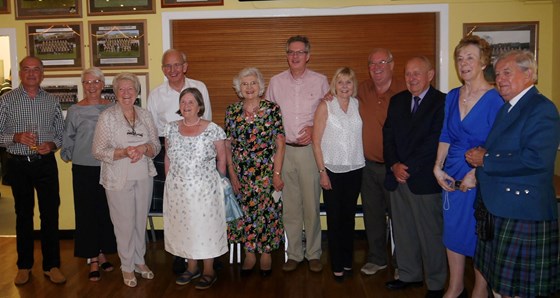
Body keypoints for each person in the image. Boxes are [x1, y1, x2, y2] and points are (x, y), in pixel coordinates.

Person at [465, 50, 560, 298]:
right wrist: (483, 154)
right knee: (500, 287)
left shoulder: (541, 108)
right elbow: (506, 148)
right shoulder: (509, 108)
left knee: (514, 291)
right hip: (500, 206)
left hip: (522, 211)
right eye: (497, 75)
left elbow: (537, 159)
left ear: (529, 74)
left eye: (507, 72)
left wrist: (485, 158)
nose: (501, 79)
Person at [432, 36, 503, 298]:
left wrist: (477, 174)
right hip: (450, 176)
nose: (464, 63)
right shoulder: (452, 96)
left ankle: (480, 289)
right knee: (452, 231)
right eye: (460, 59)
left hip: (479, 178)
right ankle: (456, 285)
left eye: (470, 58)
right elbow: (445, 136)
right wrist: (437, 168)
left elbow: (499, 144)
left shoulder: (495, 99)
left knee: (479, 233)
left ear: (483, 62)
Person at [383, 56, 447, 298]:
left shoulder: (442, 102)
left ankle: (436, 283)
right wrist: (393, 165)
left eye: (417, 73)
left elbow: (435, 141)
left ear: (430, 75)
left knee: (430, 233)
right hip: (397, 178)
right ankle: (409, 275)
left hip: (424, 180)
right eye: (408, 73)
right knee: (403, 231)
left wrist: (407, 166)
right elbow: (387, 136)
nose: (411, 78)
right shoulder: (398, 101)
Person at [266, 35, 329, 273]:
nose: (295, 56)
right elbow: (269, 117)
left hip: (309, 153)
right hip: (284, 151)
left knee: (311, 205)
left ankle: (313, 253)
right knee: (290, 206)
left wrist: (314, 129)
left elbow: (329, 114)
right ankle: (293, 253)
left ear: (308, 56)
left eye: (300, 52)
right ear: (287, 55)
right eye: (291, 52)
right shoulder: (275, 82)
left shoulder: (321, 81)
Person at [0, 56, 65, 285]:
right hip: (18, 164)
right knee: (23, 216)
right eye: (26, 69)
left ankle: (52, 265)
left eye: (36, 69)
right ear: (20, 73)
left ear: (42, 73)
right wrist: (15, 137)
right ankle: (24, 266)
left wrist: (53, 144)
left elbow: (61, 132)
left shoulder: (52, 101)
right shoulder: (6, 100)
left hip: (45, 163)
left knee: (50, 214)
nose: (31, 73)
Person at [92, 72, 161, 288]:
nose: (126, 93)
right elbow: (98, 151)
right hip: (117, 178)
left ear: (137, 91)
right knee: (124, 224)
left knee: (140, 221)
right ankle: (127, 265)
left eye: (130, 88)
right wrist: (123, 152)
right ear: (115, 93)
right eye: (121, 89)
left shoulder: (146, 115)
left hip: (143, 175)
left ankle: (140, 261)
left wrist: (143, 148)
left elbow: (156, 146)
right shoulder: (107, 117)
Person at [147, 48, 212, 274]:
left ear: (185, 66)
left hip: (198, 152)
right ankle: (180, 254)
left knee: (200, 207)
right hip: (170, 151)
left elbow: (208, 120)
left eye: (177, 65)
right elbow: (152, 129)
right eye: (167, 66)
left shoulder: (199, 87)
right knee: (176, 207)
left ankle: (205, 254)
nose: (172, 70)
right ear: (163, 69)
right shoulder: (155, 94)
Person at [163, 88, 227, 290]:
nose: (186, 105)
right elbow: (168, 157)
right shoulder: (171, 129)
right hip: (178, 189)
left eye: (191, 102)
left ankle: (209, 270)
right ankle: (191, 267)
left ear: (200, 106)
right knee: (185, 227)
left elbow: (222, 159)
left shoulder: (213, 129)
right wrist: (169, 182)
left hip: (205, 189)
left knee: (205, 228)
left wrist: (220, 182)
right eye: (183, 102)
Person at [225, 67, 285, 277]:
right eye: (245, 84)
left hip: (266, 172)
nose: (249, 87)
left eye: (253, 83)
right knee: (246, 214)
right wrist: (232, 174)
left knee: (268, 213)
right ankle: (250, 254)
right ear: (239, 88)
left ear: (260, 86)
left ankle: (266, 253)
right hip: (242, 173)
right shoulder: (232, 111)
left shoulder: (272, 109)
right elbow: (228, 145)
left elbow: (280, 144)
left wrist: (276, 175)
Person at [61, 67, 117, 282]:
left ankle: (103, 253)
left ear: (103, 85)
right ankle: (92, 257)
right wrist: (68, 156)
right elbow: (69, 138)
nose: (91, 86)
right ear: (82, 85)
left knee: (105, 212)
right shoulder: (75, 110)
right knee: (86, 213)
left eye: (96, 82)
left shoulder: (112, 108)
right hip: (83, 168)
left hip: (108, 166)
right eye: (87, 82)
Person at [312, 67, 365, 282]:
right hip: (332, 169)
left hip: (355, 168)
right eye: (341, 82)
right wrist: (322, 172)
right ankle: (336, 264)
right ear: (334, 84)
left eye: (349, 82)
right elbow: (316, 142)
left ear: (354, 85)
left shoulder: (357, 104)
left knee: (348, 218)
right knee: (334, 219)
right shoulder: (326, 106)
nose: (345, 86)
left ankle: (347, 260)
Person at [357, 48, 406, 277]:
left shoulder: (405, 90)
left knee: (400, 218)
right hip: (367, 166)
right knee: (372, 215)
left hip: (394, 167)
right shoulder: (362, 89)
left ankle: (402, 263)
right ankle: (377, 259)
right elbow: (340, 95)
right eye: (372, 64)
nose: (377, 68)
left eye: (382, 62)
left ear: (392, 65)